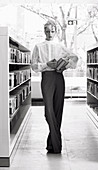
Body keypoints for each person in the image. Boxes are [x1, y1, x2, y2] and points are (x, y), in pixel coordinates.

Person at [31, 20, 78, 154]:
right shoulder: (38, 46)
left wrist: (64, 65)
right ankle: (57, 143)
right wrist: (47, 65)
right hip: (47, 78)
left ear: (56, 31)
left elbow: (75, 58)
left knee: (58, 110)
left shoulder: (60, 46)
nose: (49, 33)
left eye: (52, 31)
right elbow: (34, 66)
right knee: (48, 111)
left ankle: (52, 144)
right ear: (43, 31)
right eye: (47, 30)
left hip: (59, 78)